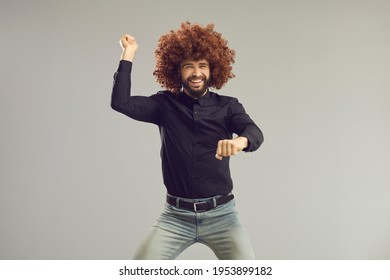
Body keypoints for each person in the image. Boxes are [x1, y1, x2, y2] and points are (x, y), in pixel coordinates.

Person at [111, 22, 264, 260]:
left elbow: (254, 131)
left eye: (202, 66)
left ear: (213, 70)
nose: (196, 73)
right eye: (188, 67)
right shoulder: (163, 105)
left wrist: (240, 142)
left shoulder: (228, 106)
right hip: (175, 217)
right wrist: (127, 55)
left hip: (222, 216)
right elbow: (121, 103)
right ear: (176, 70)